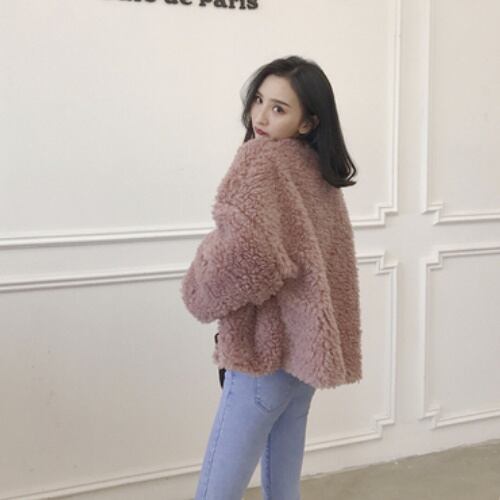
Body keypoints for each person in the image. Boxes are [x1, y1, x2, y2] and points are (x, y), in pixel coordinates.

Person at [180, 55, 362, 500]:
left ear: (308, 122)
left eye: (279, 108)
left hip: (264, 355)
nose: (260, 116)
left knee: (218, 488)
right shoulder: (317, 170)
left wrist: (198, 289)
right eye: (259, 100)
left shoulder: (261, 162)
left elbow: (250, 259)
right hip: (302, 358)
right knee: (283, 483)